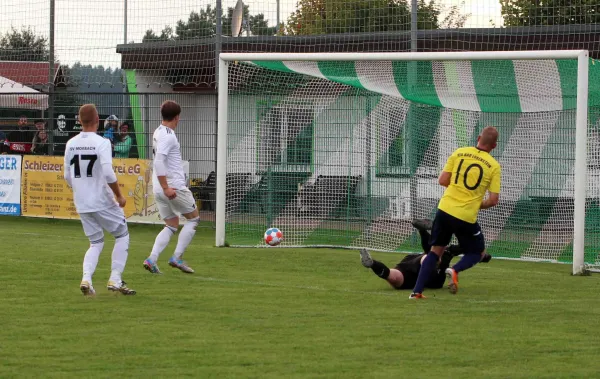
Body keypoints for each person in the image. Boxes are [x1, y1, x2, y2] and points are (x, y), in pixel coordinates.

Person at [409, 126, 501, 299]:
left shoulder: (459, 153)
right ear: (494, 146)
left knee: (435, 252)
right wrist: (476, 203)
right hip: (465, 215)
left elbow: (443, 180)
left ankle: (416, 292)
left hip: (444, 209)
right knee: (477, 253)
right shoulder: (494, 166)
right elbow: (494, 200)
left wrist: (457, 190)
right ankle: (455, 269)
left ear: (479, 137)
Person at [64, 104, 136, 296]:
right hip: (101, 200)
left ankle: (86, 278)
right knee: (122, 235)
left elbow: (67, 176)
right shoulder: (102, 142)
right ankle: (115, 278)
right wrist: (119, 195)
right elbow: (108, 172)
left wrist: (81, 189)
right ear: (97, 120)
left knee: (95, 242)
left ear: (79, 121)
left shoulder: (70, 143)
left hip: (82, 202)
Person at [143, 100, 199, 274]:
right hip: (172, 187)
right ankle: (177, 257)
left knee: (172, 224)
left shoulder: (158, 131)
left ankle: (152, 259)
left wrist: (162, 186)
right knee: (193, 219)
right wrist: (167, 186)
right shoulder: (168, 136)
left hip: (159, 188)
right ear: (177, 117)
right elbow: (159, 161)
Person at [359, 219, 491, 290]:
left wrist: (484, 256)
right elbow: (473, 252)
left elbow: (473, 252)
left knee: (395, 279)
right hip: (423, 265)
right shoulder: (446, 253)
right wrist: (482, 256)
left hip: (414, 267)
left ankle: (372, 263)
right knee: (432, 259)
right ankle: (422, 231)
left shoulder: (450, 251)